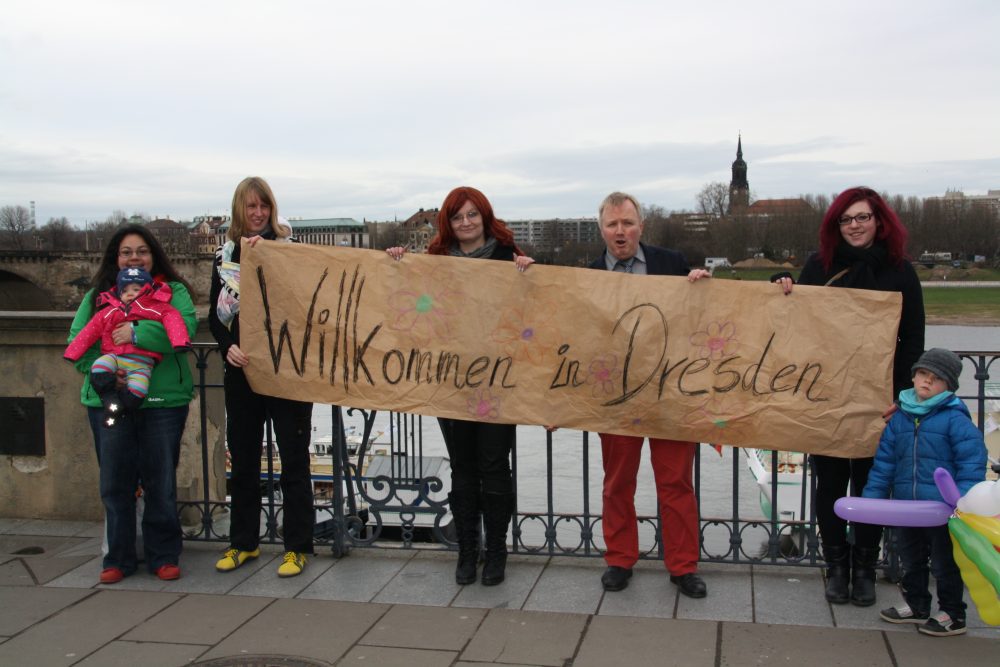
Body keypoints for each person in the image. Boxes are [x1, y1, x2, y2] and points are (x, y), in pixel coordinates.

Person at [774, 186, 925, 606]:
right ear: (835, 225)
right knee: (831, 486)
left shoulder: (900, 271)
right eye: (846, 219)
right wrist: (779, 285)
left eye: (862, 217)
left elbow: (913, 337)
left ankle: (865, 569)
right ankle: (836, 567)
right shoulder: (819, 265)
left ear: (879, 221)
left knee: (870, 486)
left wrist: (903, 394)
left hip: (880, 400)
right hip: (826, 396)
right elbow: (795, 318)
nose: (854, 225)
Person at [387, 186, 534, 586]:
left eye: (472, 214)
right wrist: (398, 265)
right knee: (463, 468)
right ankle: (468, 549)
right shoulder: (435, 261)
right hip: (451, 382)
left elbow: (532, 312)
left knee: (495, 467)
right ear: (448, 223)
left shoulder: (508, 258)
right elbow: (412, 302)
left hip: (497, 382)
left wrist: (529, 275)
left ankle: (497, 550)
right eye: (457, 217)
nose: (466, 222)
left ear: (485, 217)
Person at [589, 191, 710, 598]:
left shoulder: (671, 263)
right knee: (617, 482)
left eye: (627, 223)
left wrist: (702, 287)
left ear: (641, 226)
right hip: (617, 396)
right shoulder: (589, 277)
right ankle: (620, 559)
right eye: (612, 224)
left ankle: (683, 566)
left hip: (670, 392)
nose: (620, 231)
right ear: (602, 229)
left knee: (676, 483)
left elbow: (700, 317)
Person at [67, 224, 196, 584]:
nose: (134, 257)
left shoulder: (174, 292)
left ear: (153, 256)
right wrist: (106, 375)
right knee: (114, 482)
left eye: (142, 251)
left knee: (160, 482)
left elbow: (182, 330)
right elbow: (79, 341)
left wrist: (135, 333)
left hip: (162, 400)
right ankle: (118, 558)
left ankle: (163, 555)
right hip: (109, 400)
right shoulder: (98, 296)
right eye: (126, 252)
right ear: (116, 258)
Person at [210, 176, 315, 578]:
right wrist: (227, 346)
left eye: (264, 206)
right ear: (239, 209)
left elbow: (303, 305)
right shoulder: (224, 257)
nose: (257, 213)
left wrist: (268, 256)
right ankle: (243, 543)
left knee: (294, 461)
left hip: (286, 370)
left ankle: (297, 547)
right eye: (251, 206)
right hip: (243, 372)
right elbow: (215, 317)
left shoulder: (288, 250)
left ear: (272, 209)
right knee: (244, 461)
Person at [862, 348, 986, 637]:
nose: (927, 381)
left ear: (949, 386)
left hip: (943, 510)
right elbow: (885, 463)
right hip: (907, 507)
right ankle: (917, 605)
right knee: (910, 558)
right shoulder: (901, 418)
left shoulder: (955, 420)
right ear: (914, 377)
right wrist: (872, 499)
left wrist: (961, 500)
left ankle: (953, 613)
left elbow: (971, 463)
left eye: (936, 378)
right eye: (922, 374)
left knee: (945, 563)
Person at [65, 267, 191, 427]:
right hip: (114, 357)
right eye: (125, 290)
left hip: (142, 363)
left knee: (138, 390)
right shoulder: (110, 310)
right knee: (99, 368)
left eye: (136, 289)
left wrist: (179, 341)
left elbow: (174, 320)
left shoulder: (155, 307)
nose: (130, 294)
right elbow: (89, 331)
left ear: (148, 290)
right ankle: (110, 399)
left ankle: (119, 409)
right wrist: (72, 352)